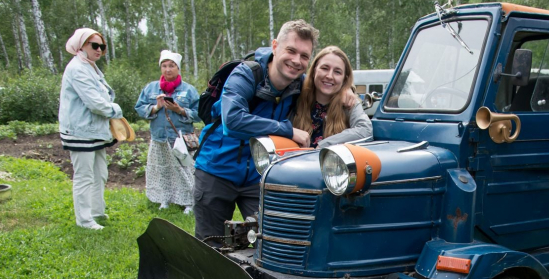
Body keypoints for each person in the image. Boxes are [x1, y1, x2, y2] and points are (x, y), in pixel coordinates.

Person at [193, 19, 319, 244]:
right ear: (274, 46)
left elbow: (332, 91)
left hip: (258, 175)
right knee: (210, 244)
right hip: (216, 169)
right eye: (291, 50)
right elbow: (232, 121)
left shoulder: (300, 84)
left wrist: (349, 95)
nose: (296, 60)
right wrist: (287, 130)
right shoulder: (246, 74)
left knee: (267, 241)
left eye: (304, 56)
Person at [58, 28, 123, 230]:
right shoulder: (77, 68)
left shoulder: (90, 66)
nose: (99, 50)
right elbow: (95, 103)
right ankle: (84, 220)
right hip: (80, 130)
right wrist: (116, 110)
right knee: (84, 176)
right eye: (94, 45)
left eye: (102, 46)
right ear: (81, 45)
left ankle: (96, 211)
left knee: (100, 172)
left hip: (95, 130)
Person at [135, 50, 200, 213]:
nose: (167, 69)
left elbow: (200, 113)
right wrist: (156, 107)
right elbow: (139, 108)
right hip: (160, 138)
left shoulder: (189, 90)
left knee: (186, 170)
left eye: (171, 66)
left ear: (178, 68)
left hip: (181, 138)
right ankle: (165, 199)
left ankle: (189, 201)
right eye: (164, 66)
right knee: (162, 170)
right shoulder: (151, 88)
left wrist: (180, 110)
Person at [292, 46, 372, 148]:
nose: (329, 76)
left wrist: (323, 146)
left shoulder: (349, 102)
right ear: (314, 70)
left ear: (344, 78)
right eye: (325, 68)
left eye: (337, 72)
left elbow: (366, 130)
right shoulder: (296, 94)